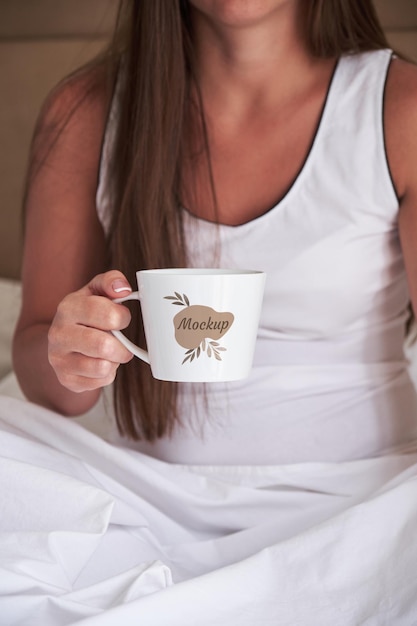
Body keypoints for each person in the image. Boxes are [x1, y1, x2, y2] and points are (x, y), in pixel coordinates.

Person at [5, 0, 417, 622]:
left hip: (361, 502)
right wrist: (69, 353)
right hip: (143, 500)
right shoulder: (87, 112)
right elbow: (45, 364)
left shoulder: (400, 109)